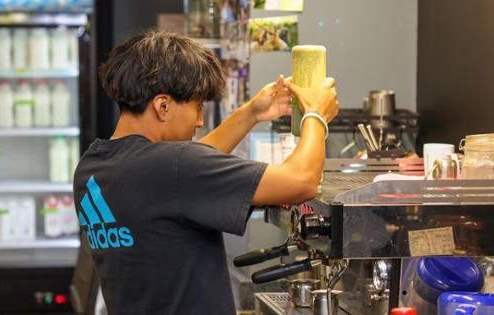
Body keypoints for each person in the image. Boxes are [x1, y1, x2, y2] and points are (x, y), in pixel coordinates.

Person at [73, 31, 338, 315]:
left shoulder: (93, 167)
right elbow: (301, 181)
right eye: (197, 107)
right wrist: (316, 115)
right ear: (163, 106)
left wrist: (251, 113)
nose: (199, 121)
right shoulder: (171, 167)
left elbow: (187, 170)